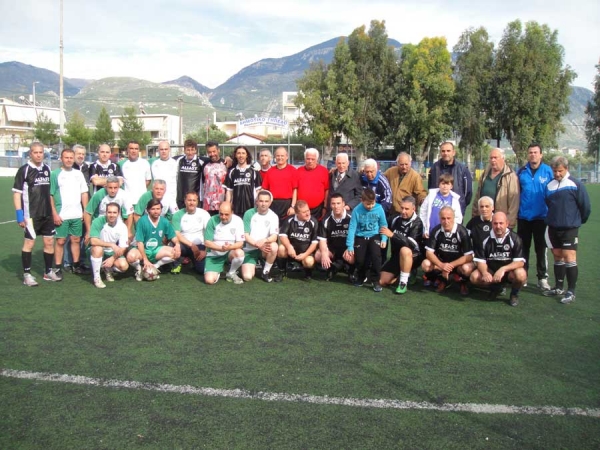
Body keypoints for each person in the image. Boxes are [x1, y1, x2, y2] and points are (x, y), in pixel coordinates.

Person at [542, 156, 591, 304]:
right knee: (557, 256)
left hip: (570, 228)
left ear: (566, 169)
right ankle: (558, 287)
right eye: (555, 171)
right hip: (553, 227)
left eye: (560, 171)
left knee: (569, 257)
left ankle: (571, 291)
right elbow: (548, 204)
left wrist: (576, 221)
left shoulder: (575, 184)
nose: (557, 174)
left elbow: (585, 206)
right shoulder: (549, 185)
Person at [13, 142, 60, 285]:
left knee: (49, 242)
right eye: (36, 152)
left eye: (41, 152)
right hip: (31, 215)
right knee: (29, 243)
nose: (39, 155)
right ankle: (27, 275)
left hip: (47, 214)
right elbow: (17, 194)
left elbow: (50, 193)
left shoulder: (47, 169)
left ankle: (48, 271)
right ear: (30, 154)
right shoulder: (24, 170)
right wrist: (20, 216)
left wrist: (53, 212)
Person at [516, 143, 554, 291]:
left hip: (541, 218)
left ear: (541, 155)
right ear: (528, 155)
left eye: (535, 152)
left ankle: (542, 278)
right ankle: (523, 275)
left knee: (541, 249)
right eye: (530, 152)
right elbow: (516, 193)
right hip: (524, 217)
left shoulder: (548, 171)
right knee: (523, 248)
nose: (533, 155)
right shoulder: (521, 172)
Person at [470, 212, 527, 306]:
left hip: (509, 272)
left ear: (507, 224)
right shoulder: (484, 239)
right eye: (495, 223)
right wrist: (485, 273)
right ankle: (495, 288)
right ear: (492, 224)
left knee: (521, 275)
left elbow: (520, 262)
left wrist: (503, 269)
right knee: (474, 277)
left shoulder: (515, 238)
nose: (498, 226)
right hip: (491, 270)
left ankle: (514, 294)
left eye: (501, 223)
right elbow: (481, 261)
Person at [50, 148, 89, 278]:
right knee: (60, 241)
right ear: (61, 159)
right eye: (66, 157)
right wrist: (54, 214)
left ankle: (76, 265)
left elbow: (84, 193)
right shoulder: (55, 174)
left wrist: (85, 211)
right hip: (62, 215)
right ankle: (57, 267)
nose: (69, 160)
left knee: (76, 240)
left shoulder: (78, 174)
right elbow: (50, 195)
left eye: (71, 158)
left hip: (77, 214)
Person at [421, 206, 473, 295]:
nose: (446, 221)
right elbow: (429, 253)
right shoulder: (436, 230)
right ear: (439, 219)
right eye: (443, 218)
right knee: (425, 264)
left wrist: (450, 266)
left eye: (449, 218)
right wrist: (442, 265)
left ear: (453, 218)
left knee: (467, 268)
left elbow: (469, 256)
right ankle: (441, 279)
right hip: (441, 263)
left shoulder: (462, 231)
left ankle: (462, 283)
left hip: (457, 265)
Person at [345, 189, 388, 292]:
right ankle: (361, 276)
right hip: (360, 237)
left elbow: (383, 224)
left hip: (374, 236)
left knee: (376, 258)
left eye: (372, 203)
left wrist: (384, 238)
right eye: (368, 204)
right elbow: (352, 228)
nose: (370, 206)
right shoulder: (356, 210)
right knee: (360, 260)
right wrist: (350, 245)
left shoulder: (379, 208)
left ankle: (375, 280)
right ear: (362, 200)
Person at [126, 199, 181, 281]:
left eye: (158, 209)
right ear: (148, 210)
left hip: (156, 250)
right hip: (142, 250)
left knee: (176, 253)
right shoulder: (142, 221)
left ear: (161, 210)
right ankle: (139, 270)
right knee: (131, 257)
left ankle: (155, 267)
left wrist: (177, 244)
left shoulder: (164, 221)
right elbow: (140, 243)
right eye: (153, 209)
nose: (156, 211)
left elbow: (173, 236)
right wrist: (145, 259)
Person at [379, 196, 424, 295]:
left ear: (413, 209)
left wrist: (393, 235)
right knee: (382, 281)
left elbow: (411, 244)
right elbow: (383, 226)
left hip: (413, 257)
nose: (403, 211)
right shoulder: (395, 218)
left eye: (406, 209)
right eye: (402, 208)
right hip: (396, 257)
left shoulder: (418, 223)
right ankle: (402, 274)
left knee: (405, 250)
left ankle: (403, 282)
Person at [472, 148, 519, 229]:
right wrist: (475, 215)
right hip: (483, 219)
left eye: (495, 158)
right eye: (491, 158)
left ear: (503, 159)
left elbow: (514, 202)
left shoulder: (511, 176)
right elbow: (477, 196)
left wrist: (509, 223)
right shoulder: (485, 174)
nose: (493, 160)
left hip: (499, 222)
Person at [240, 190, 281, 282]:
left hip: (264, 248)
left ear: (270, 202)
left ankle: (265, 271)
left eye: (266, 201)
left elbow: (274, 236)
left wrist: (264, 241)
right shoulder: (249, 213)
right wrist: (257, 245)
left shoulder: (274, 216)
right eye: (261, 201)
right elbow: (245, 235)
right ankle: (248, 264)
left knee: (274, 246)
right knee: (247, 277)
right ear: (257, 201)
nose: (263, 204)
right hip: (250, 249)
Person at [88, 202, 130, 288]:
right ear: (106, 213)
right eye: (109, 212)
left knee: (124, 266)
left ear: (118, 213)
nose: (112, 215)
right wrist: (111, 244)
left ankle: (107, 269)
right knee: (98, 249)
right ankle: (97, 278)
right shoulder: (98, 221)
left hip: (111, 253)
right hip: (96, 250)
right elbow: (93, 241)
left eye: (114, 212)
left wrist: (112, 258)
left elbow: (123, 247)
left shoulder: (122, 226)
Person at [203, 201, 246, 285]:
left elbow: (240, 243)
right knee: (209, 280)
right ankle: (219, 271)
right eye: (221, 214)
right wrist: (220, 248)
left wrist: (229, 247)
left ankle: (231, 273)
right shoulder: (212, 220)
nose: (223, 217)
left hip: (230, 252)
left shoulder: (238, 220)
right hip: (214, 255)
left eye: (226, 214)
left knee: (239, 253)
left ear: (232, 212)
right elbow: (207, 242)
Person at [315, 193, 355, 281]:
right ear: (330, 205)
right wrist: (324, 254)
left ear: (343, 204)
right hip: (332, 250)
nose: (336, 206)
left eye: (338, 203)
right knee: (318, 255)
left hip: (347, 248)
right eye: (333, 204)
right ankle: (331, 268)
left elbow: (357, 237)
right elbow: (322, 240)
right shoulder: (326, 219)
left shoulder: (352, 217)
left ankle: (350, 270)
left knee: (354, 257)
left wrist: (350, 248)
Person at [84, 176, 135, 244]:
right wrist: (88, 231)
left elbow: (130, 213)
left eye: (115, 188)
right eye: (110, 188)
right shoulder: (99, 194)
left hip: (117, 221)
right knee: (96, 246)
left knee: (127, 241)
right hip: (101, 222)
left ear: (119, 187)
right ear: (106, 187)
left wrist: (128, 230)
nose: (113, 190)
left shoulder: (123, 194)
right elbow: (88, 212)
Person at [170, 191, 211, 275]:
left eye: (194, 200)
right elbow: (177, 234)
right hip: (183, 245)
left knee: (202, 270)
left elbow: (209, 233)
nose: (191, 203)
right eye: (189, 200)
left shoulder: (204, 214)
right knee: (174, 245)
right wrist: (192, 245)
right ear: (185, 201)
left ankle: (193, 261)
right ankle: (177, 263)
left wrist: (205, 251)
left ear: (197, 202)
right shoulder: (177, 215)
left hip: (199, 246)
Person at [428, 141, 472, 215]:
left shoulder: (463, 169)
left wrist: (461, 204)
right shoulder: (434, 168)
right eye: (443, 151)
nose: (445, 153)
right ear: (440, 153)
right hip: (437, 210)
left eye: (448, 151)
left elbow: (468, 192)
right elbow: (431, 188)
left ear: (453, 152)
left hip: (456, 211)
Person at [278, 200, 319, 280]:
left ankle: (308, 273)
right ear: (297, 213)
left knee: (309, 262)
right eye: (304, 212)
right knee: (281, 248)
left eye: (308, 210)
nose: (307, 214)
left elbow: (314, 243)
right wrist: (289, 247)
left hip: (305, 253)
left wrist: (305, 254)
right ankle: (282, 272)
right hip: (291, 252)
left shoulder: (313, 221)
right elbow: (282, 235)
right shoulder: (289, 219)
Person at [261, 146, 298, 222]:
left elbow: (295, 190)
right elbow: (264, 189)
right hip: (273, 204)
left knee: (286, 227)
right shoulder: (270, 171)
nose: (280, 158)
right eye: (278, 156)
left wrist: (293, 206)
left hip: (287, 204)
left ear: (287, 157)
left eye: (282, 156)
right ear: (275, 157)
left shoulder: (293, 170)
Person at [419, 173, 463, 238]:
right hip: (430, 232)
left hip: (445, 235)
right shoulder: (431, 196)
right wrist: (424, 229)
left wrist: (451, 231)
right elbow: (423, 212)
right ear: (439, 184)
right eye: (443, 184)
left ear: (451, 186)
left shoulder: (454, 200)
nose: (445, 186)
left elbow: (458, 218)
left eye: (447, 184)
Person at [225, 145, 262, 216]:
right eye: (238, 153)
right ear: (235, 155)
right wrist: (228, 206)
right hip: (236, 208)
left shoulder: (254, 171)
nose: (241, 155)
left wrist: (258, 205)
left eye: (243, 153)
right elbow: (229, 191)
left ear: (246, 155)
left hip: (251, 207)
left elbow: (258, 190)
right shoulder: (231, 172)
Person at [296, 148, 330, 220]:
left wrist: (325, 207)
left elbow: (327, 190)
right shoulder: (298, 171)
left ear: (317, 159)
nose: (310, 161)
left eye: (313, 159)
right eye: (308, 159)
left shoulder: (324, 171)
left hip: (318, 209)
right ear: (305, 159)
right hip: (301, 210)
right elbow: (295, 189)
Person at [119, 140, 152, 206]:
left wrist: (139, 189)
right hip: (127, 201)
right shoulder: (122, 164)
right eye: (131, 148)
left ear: (138, 150)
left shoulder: (145, 163)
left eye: (136, 149)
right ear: (127, 150)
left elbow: (148, 180)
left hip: (142, 200)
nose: (134, 151)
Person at [176, 139, 207, 209]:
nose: (190, 152)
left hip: (195, 198)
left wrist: (227, 159)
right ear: (184, 150)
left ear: (196, 150)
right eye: (188, 150)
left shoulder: (201, 161)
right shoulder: (179, 160)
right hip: (181, 197)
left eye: (192, 150)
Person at [202, 141, 228, 215]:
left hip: (222, 203)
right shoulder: (204, 164)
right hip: (208, 204)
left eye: (214, 151)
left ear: (218, 150)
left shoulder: (226, 163)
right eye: (209, 152)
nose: (212, 154)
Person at [150, 140, 179, 207]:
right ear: (158, 150)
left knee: (175, 213)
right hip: (159, 198)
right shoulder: (154, 164)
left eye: (166, 149)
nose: (164, 151)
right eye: (161, 149)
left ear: (169, 150)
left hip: (172, 198)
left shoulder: (175, 163)